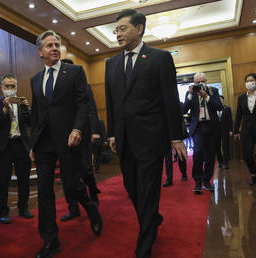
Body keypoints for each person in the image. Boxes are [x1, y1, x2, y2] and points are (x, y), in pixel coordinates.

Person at [105, 9, 187, 258]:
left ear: (139, 29)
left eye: (123, 28)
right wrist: (111, 134)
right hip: (124, 138)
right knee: (132, 188)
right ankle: (153, 217)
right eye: (116, 30)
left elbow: (170, 100)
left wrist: (175, 137)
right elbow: (111, 102)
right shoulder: (111, 64)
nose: (118, 34)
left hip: (152, 138)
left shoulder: (159, 58)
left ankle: (144, 246)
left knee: (149, 190)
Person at [29, 30, 103, 258]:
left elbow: (84, 104)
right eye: (49, 45)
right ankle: (51, 240)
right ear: (40, 51)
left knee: (71, 186)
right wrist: (32, 144)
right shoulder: (35, 80)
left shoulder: (75, 72)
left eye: (56, 44)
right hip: (43, 144)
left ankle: (90, 208)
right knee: (44, 192)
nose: (54, 48)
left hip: (69, 138)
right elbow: (37, 114)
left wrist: (78, 129)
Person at [60, 57, 102, 221]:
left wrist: (95, 131)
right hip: (64, 135)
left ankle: (94, 196)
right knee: (66, 174)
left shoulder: (84, 86)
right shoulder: (58, 87)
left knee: (85, 169)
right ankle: (73, 208)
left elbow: (91, 108)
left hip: (83, 133)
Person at [0, 73, 33, 224]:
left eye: (12, 86)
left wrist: (27, 108)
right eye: (7, 86)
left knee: (24, 179)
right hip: (4, 146)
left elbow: (30, 122)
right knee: (2, 181)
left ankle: (23, 208)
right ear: (2, 87)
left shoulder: (22, 103)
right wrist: (5, 110)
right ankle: (3, 211)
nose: (10, 89)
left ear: (16, 87)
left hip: (21, 145)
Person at [184, 73, 223, 194]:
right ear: (194, 83)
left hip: (211, 127)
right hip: (198, 128)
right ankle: (197, 181)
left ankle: (207, 181)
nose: (200, 83)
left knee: (211, 156)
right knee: (198, 153)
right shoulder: (190, 93)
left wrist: (206, 97)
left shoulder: (214, 91)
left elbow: (219, 107)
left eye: (202, 81)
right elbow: (184, 109)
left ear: (206, 81)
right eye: (197, 82)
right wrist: (190, 94)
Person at [233, 73, 256, 193]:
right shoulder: (241, 98)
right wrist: (236, 130)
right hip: (246, 131)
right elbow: (238, 115)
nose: (249, 82)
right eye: (247, 80)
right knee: (247, 155)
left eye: (252, 80)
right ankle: (254, 174)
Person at [216, 95, 233, 169]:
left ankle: (226, 162)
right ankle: (220, 161)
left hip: (225, 130)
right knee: (217, 147)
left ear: (223, 100)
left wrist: (231, 130)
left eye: (221, 99)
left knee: (225, 146)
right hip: (216, 131)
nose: (220, 100)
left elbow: (230, 120)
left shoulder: (227, 109)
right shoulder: (213, 109)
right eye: (218, 99)